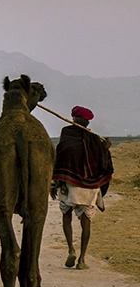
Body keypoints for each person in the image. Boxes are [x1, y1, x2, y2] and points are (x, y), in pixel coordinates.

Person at [51, 105, 114, 270]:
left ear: (73, 120)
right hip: (89, 186)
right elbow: (103, 163)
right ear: (87, 122)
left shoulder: (67, 133)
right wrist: (106, 149)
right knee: (86, 221)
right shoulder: (94, 139)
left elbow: (60, 157)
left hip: (68, 183)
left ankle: (71, 249)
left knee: (67, 215)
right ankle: (82, 260)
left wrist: (54, 182)